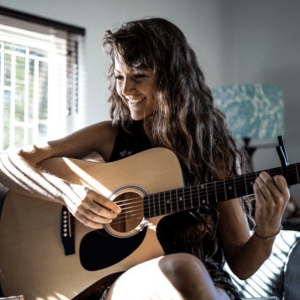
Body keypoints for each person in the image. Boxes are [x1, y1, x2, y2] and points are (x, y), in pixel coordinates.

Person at [0, 18, 289, 300]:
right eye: (120, 77)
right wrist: (68, 193)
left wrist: (267, 230)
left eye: (138, 77)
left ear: (172, 80)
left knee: (189, 271)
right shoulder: (112, 135)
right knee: (183, 268)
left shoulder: (212, 153)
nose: (125, 91)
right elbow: (7, 162)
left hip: (205, 280)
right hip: (120, 279)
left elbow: (242, 265)